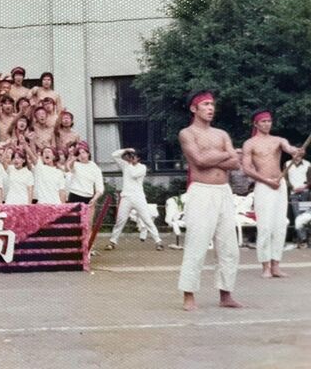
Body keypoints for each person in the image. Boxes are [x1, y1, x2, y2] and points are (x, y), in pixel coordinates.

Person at [177, 91, 241, 312]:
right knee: (197, 243)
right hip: (201, 192)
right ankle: (188, 295)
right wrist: (225, 154)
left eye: (212, 104)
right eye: (205, 104)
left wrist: (217, 156)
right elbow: (199, 161)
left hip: (223, 191)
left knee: (229, 246)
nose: (210, 108)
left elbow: (236, 163)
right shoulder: (187, 133)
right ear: (194, 109)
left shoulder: (221, 134)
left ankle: (226, 294)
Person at [241, 110, 299, 279]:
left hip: (279, 184)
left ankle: (276, 266)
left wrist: (296, 151)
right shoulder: (249, 144)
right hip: (263, 185)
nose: (267, 124)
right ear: (256, 124)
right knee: (265, 226)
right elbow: (247, 169)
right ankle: (265, 266)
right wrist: (266, 181)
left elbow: (289, 148)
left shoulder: (278, 140)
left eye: (269, 121)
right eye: (263, 121)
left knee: (280, 225)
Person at [105, 148, 164, 251]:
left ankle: (158, 241)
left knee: (147, 220)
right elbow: (114, 155)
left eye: (133, 156)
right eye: (130, 156)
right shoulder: (125, 165)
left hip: (138, 197)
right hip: (126, 197)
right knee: (120, 220)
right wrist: (126, 150)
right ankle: (112, 242)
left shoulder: (142, 167)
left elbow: (133, 174)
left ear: (139, 158)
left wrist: (129, 163)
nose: (130, 158)